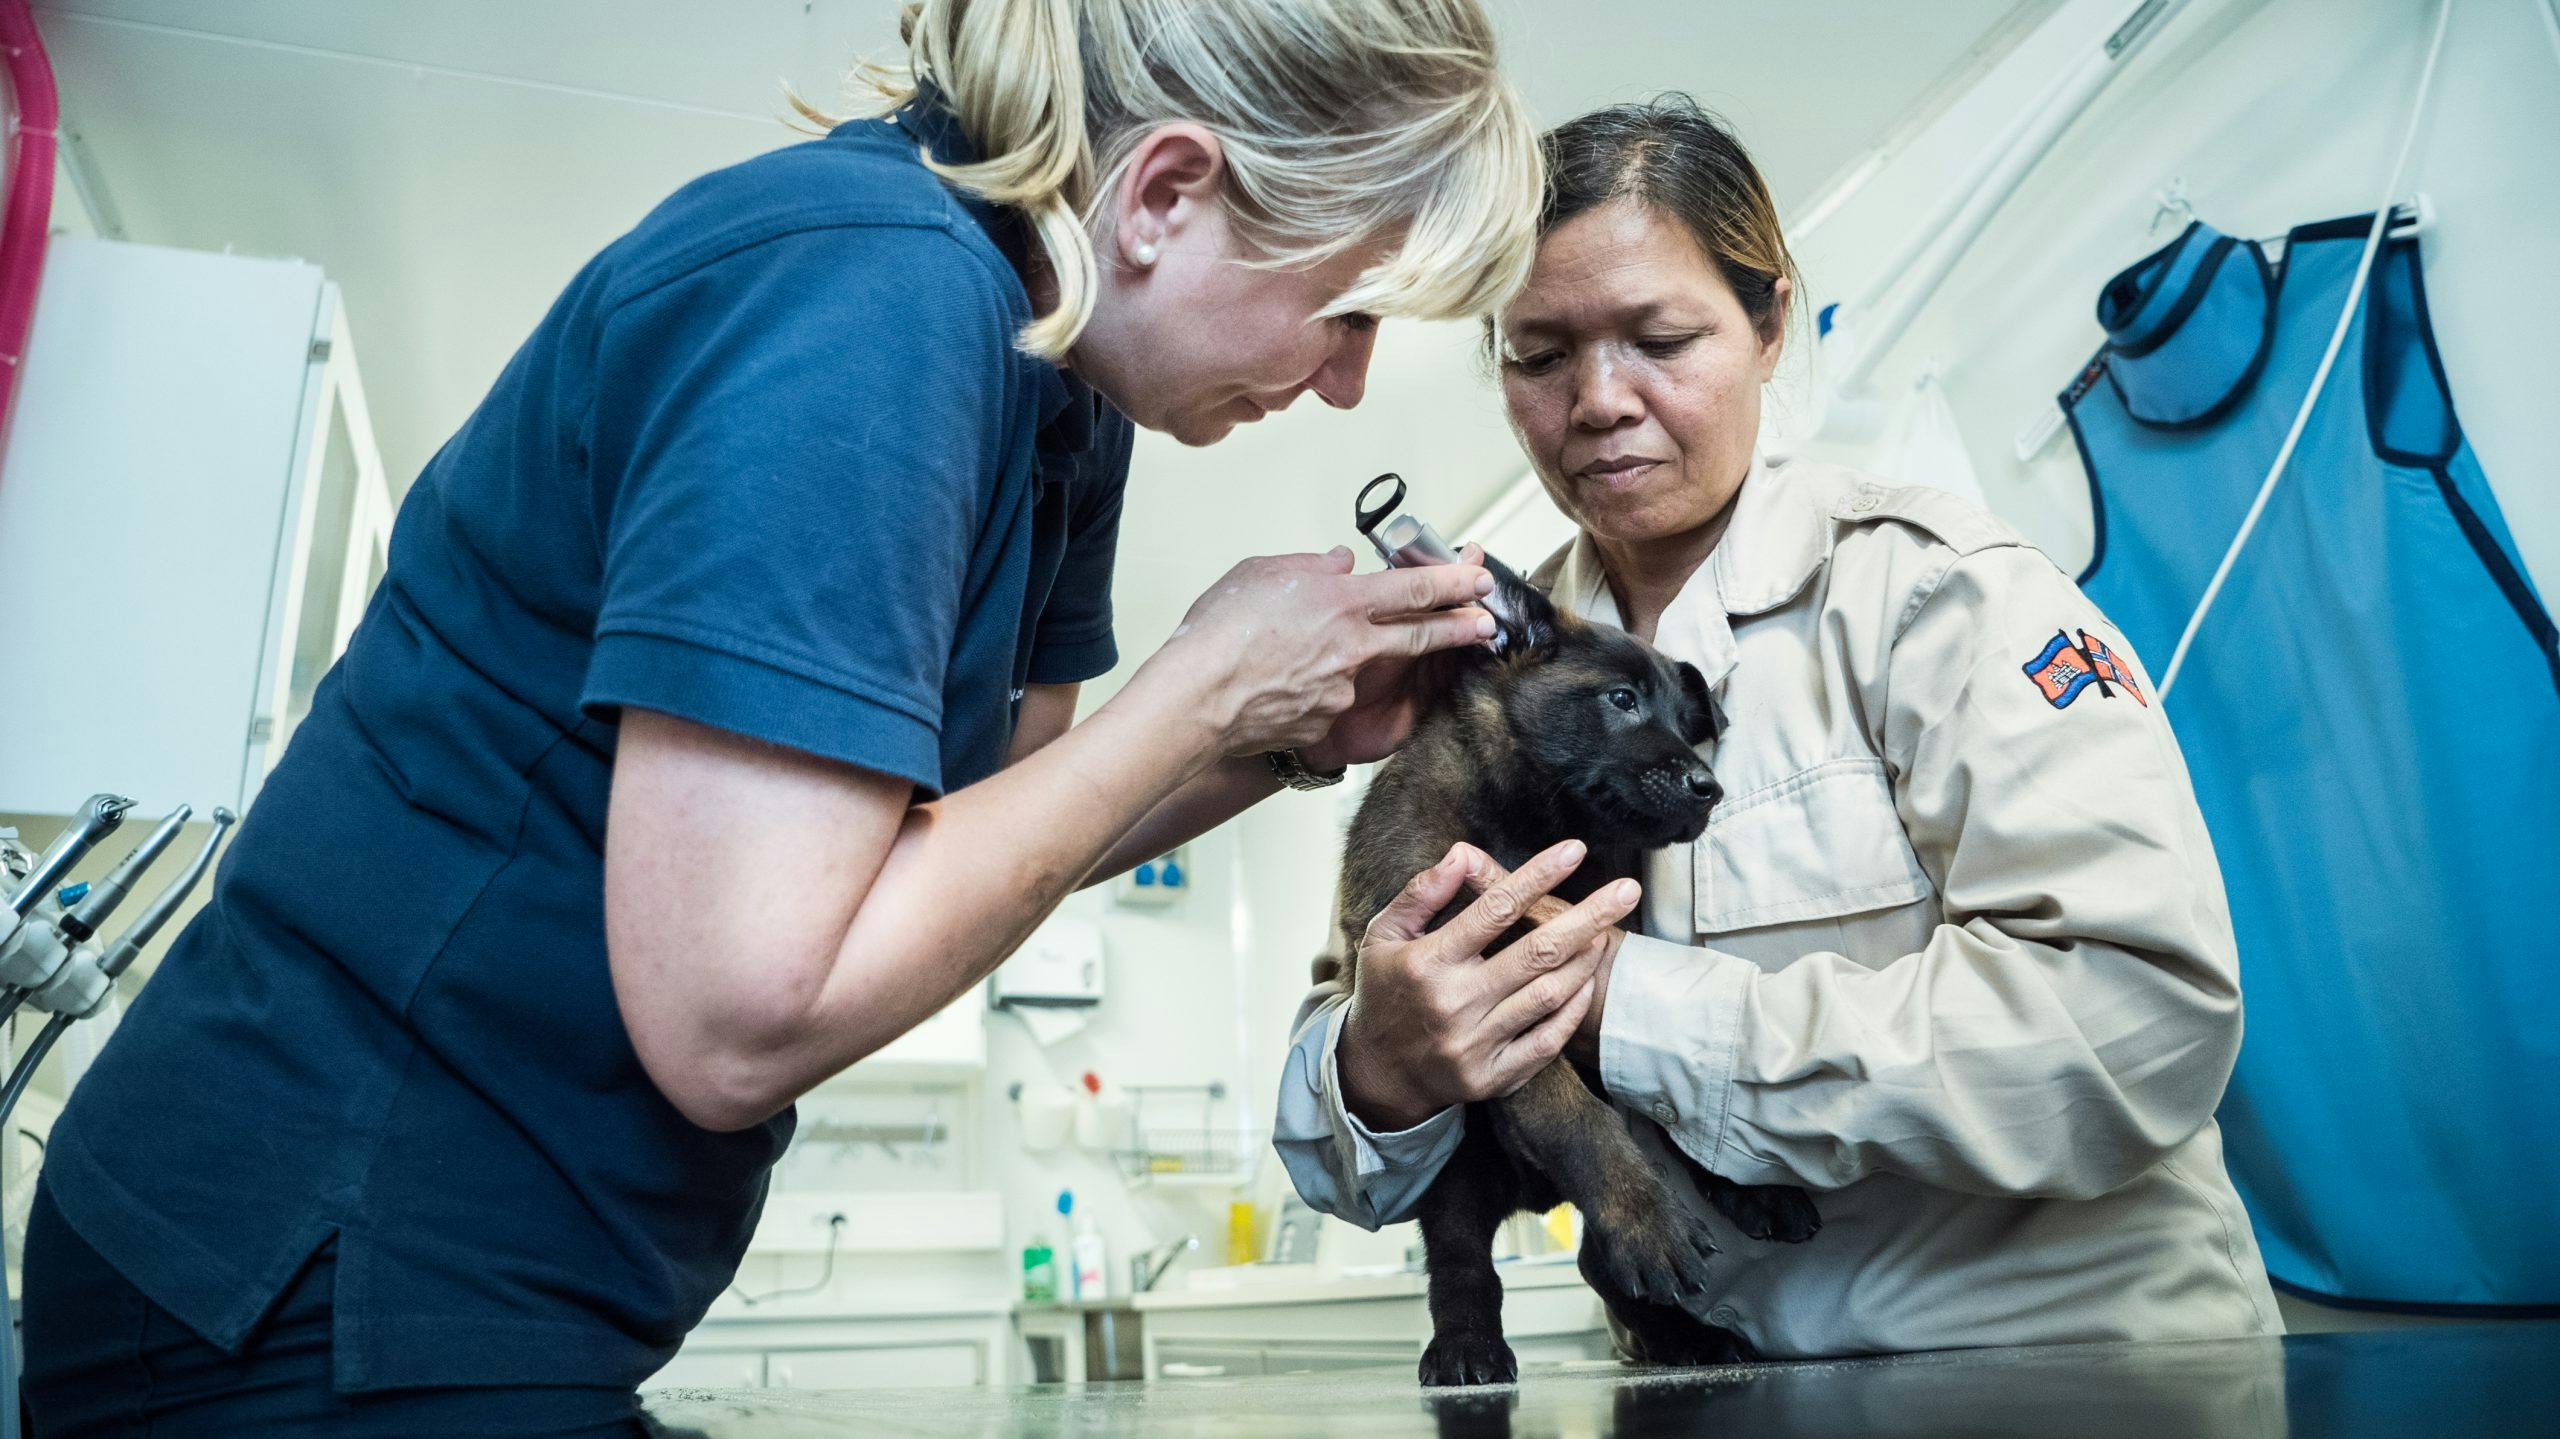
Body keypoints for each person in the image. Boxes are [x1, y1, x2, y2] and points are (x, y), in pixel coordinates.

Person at [21, 3, 1629, 1432]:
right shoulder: (870, 295)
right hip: (298, 1273)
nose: (1347, 382)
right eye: (1345, 310)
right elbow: (734, 1019)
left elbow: (989, 833)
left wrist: (1273, 732)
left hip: (489, 1280)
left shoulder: (1062, 382)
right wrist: (1206, 681)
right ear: (1162, 197)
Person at [1277, 95, 2284, 1361]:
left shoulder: (1940, 597)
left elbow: (2141, 1020)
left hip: (2057, 1373)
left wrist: (1630, 1012)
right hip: (1696, 1385)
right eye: (1539, 354)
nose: (1599, 401)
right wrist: (1385, 1064)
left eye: (1659, 336)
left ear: (1767, 324)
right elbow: (1337, 1144)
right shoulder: (1484, 683)